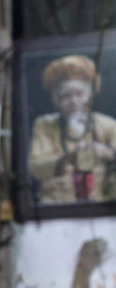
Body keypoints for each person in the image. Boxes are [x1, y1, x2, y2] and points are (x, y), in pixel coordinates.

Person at [28, 53, 116, 203]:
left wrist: (108, 153)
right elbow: (35, 167)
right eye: (65, 96)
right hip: (56, 206)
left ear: (90, 95)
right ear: (54, 99)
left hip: (102, 206)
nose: (74, 101)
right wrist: (67, 159)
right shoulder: (44, 125)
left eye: (79, 94)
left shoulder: (108, 125)